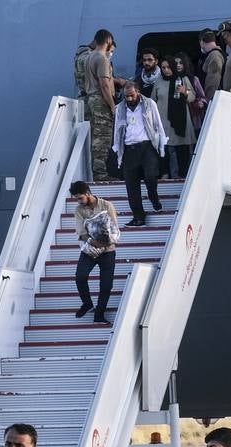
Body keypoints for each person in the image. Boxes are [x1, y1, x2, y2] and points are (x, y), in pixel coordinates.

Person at [111, 83, 165, 228]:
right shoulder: (120, 108)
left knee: (151, 175)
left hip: (147, 146)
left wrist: (161, 144)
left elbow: (157, 124)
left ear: (138, 92)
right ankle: (138, 216)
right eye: (126, 96)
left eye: (132, 95)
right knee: (131, 184)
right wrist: (117, 148)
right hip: (130, 148)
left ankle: (153, 197)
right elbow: (118, 129)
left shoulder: (149, 104)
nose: (129, 98)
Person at [69, 180, 120, 325]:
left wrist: (107, 241)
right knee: (80, 276)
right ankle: (87, 304)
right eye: (76, 199)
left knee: (106, 285)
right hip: (90, 249)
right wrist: (95, 241)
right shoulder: (79, 210)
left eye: (80, 198)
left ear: (88, 193)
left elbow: (114, 228)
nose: (78, 201)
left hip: (108, 251)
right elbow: (81, 232)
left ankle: (99, 314)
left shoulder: (106, 205)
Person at [82, 29, 118, 181]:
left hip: (91, 98)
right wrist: (112, 105)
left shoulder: (88, 57)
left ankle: (97, 172)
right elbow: (104, 84)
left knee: (95, 137)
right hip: (100, 101)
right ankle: (101, 174)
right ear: (108, 41)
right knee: (102, 138)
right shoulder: (102, 59)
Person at [152, 58, 195, 179]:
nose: (166, 70)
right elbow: (152, 100)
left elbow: (192, 97)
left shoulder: (183, 79)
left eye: (168, 67)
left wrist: (184, 91)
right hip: (163, 121)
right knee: (165, 150)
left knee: (183, 151)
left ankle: (182, 176)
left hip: (181, 121)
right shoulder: (158, 81)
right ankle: (166, 174)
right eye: (163, 68)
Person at [176, 51, 209, 135]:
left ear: (185, 64)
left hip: (193, 119)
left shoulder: (193, 80)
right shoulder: (168, 80)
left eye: (181, 63)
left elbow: (203, 97)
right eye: (176, 63)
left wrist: (200, 102)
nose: (178, 65)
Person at [198, 28, 225, 105]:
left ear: (202, 42)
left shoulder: (214, 56)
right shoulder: (216, 54)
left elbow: (213, 82)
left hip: (214, 102)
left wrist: (207, 101)